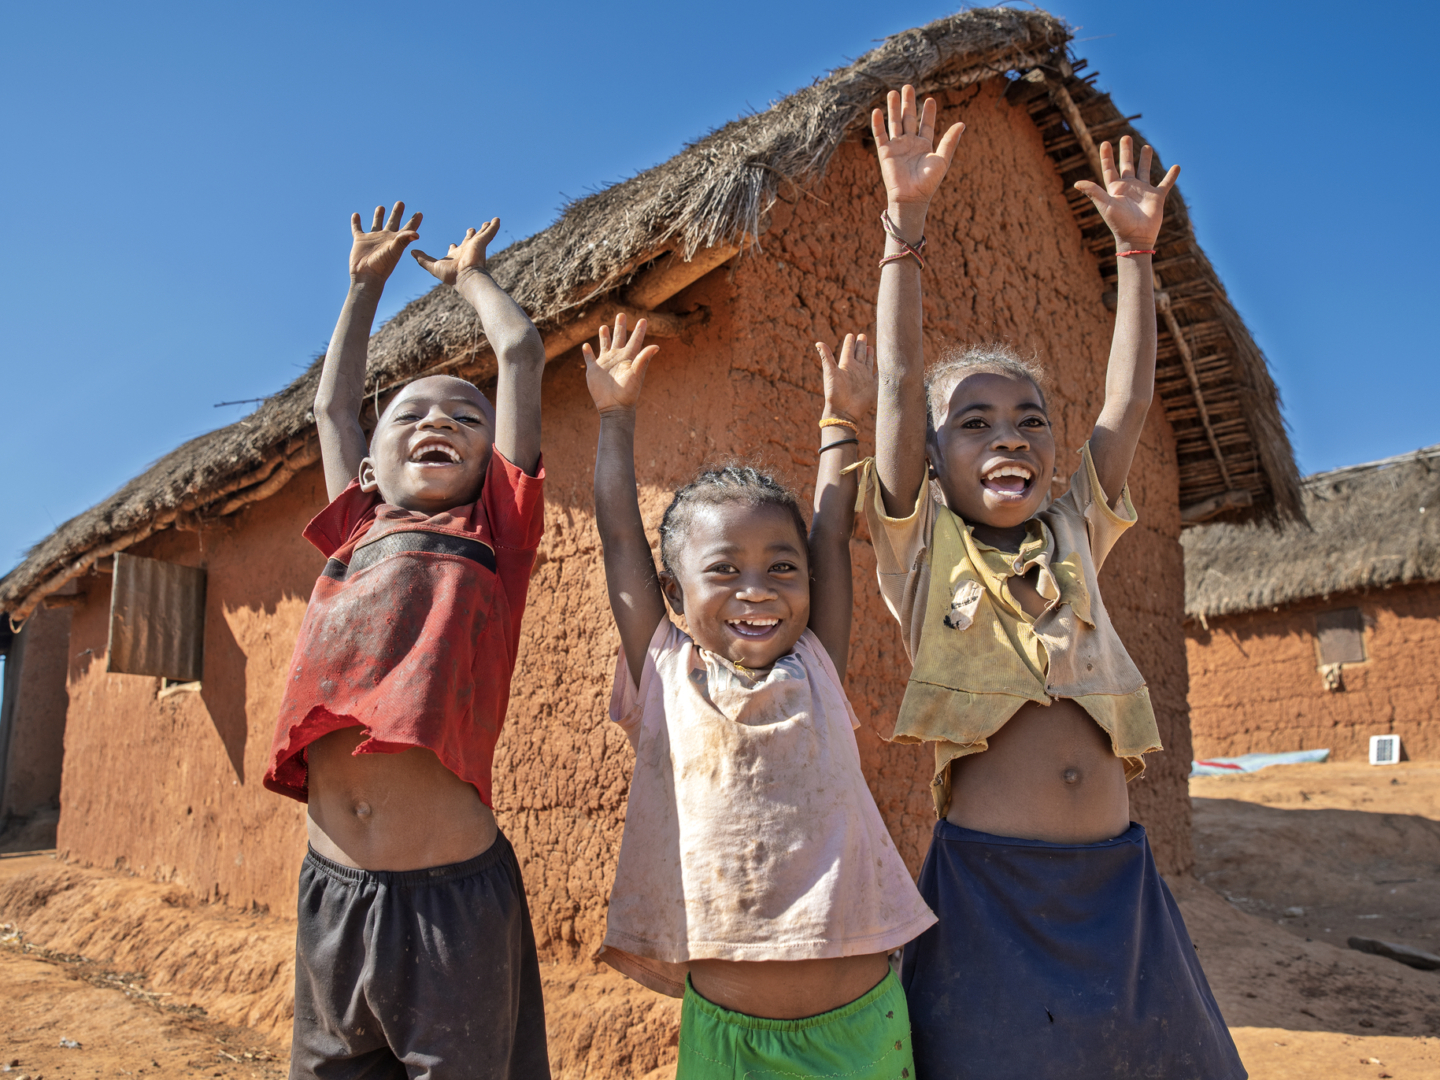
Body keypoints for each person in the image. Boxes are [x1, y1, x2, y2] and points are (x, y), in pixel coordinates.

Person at [857, 86, 1246, 1078]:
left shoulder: (1073, 526)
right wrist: (904, 225)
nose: (1009, 437)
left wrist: (1137, 254)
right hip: (992, 887)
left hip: (1120, 887)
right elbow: (900, 386)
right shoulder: (922, 547)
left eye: (1029, 419)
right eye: (975, 423)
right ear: (934, 461)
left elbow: (1128, 400)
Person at [583, 314, 936, 1078]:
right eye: (725, 570)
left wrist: (841, 419)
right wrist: (615, 415)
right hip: (729, 1039)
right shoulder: (667, 673)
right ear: (674, 590)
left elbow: (833, 529)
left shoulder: (816, 663)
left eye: (782, 568)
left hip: (862, 1030)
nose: (757, 590)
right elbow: (619, 540)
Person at [263, 204, 550, 1080]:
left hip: (449, 904)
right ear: (365, 469)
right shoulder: (355, 525)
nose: (440, 422)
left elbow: (520, 356)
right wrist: (362, 288)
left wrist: (468, 279)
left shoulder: (495, 533)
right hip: (331, 895)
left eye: (466, 419)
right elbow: (331, 405)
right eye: (411, 415)